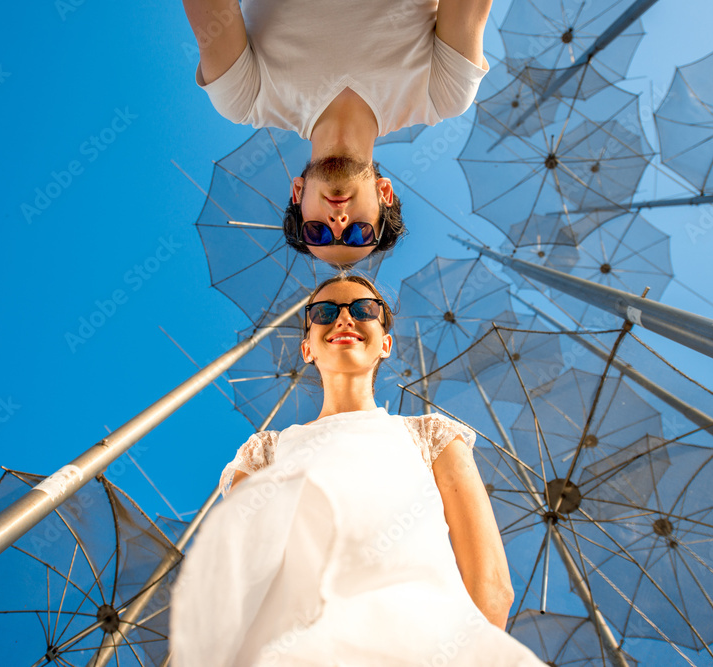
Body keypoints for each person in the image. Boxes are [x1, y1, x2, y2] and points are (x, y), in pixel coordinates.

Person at [168, 275, 546, 666]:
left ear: (385, 343)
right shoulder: (268, 451)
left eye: (364, 310)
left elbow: (491, 586)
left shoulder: (432, 437)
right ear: (306, 348)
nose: (344, 318)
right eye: (325, 311)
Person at [181, 0, 492, 265]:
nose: (339, 223)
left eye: (317, 231)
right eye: (359, 234)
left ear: (298, 193)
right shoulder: (440, 94)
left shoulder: (246, 98)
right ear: (385, 193)